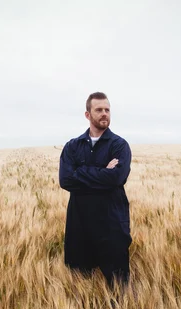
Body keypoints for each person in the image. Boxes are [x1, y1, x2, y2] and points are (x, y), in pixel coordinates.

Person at [59, 92, 132, 287]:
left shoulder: (120, 146)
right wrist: (102, 173)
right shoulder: (72, 146)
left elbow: (117, 177)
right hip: (80, 226)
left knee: (118, 286)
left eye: (107, 110)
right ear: (87, 114)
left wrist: (81, 173)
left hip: (112, 225)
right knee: (79, 284)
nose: (104, 114)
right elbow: (65, 180)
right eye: (98, 110)